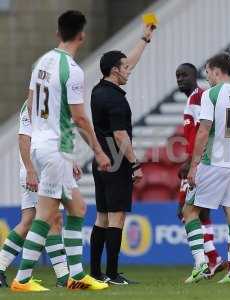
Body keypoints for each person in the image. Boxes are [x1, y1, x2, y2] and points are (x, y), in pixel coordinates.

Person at [11, 10, 111, 292]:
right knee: (45, 215)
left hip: (44, 146)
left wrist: (47, 130)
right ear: (82, 35)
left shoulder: (41, 62)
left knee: (77, 208)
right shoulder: (73, 71)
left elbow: (31, 105)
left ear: (58, 33)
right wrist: (99, 152)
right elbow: (79, 118)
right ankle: (22, 279)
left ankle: (76, 276)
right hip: (55, 149)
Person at [89, 24, 155, 285]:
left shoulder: (98, 91)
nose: (129, 70)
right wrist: (135, 164)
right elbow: (120, 135)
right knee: (117, 217)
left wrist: (144, 40)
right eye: (124, 67)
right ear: (115, 70)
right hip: (116, 162)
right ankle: (113, 274)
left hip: (100, 161)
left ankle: (95, 272)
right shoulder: (116, 99)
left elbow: (129, 64)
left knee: (102, 217)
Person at [183, 53, 230, 284]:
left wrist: (194, 166)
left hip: (214, 162)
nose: (207, 78)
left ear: (215, 70)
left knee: (189, 211)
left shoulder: (211, 95)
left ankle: (200, 264)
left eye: (207, 73)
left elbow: (203, 131)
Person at [0, 101, 72, 288]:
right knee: (53, 218)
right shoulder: (35, 103)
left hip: (42, 168)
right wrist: (30, 170)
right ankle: (63, 277)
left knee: (29, 221)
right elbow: (23, 138)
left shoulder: (48, 99)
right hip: (38, 171)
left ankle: (0, 268)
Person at [175, 63, 225, 275]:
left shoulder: (197, 97)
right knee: (201, 213)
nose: (180, 79)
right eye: (177, 75)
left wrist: (190, 162)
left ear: (195, 76)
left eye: (184, 75)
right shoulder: (193, 98)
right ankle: (213, 258)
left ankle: (210, 259)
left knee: (185, 212)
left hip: (199, 163)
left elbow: (201, 132)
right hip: (201, 161)